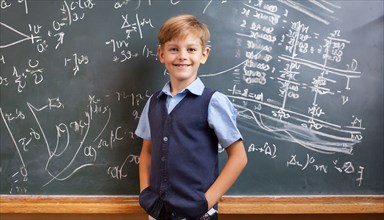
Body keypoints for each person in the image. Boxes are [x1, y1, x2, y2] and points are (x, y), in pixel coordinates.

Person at [135, 14, 248, 220]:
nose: (182, 56)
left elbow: (239, 157)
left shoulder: (213, 101)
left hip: (198, 213)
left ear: (204, 54)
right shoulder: (153, 102)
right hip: (157, 211)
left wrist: (207, 201)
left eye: (191, 49)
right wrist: (145, 193)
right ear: (161, 54)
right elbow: (147, 152)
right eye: (174, 49)